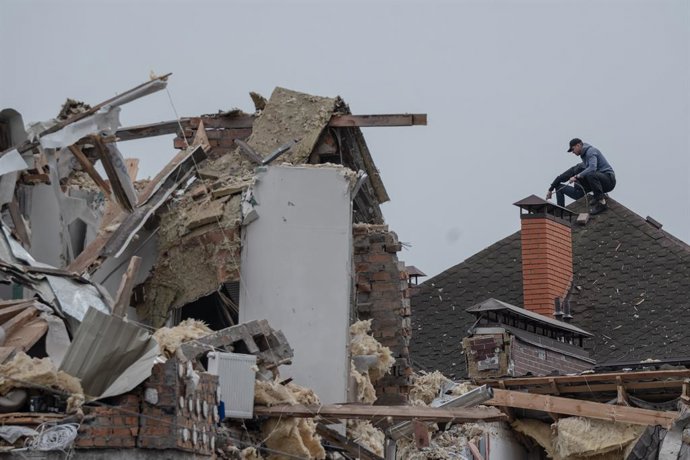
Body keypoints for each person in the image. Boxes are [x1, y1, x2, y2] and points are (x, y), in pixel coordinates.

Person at [546, 138, 616, 214]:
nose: (573, 152)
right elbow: (562, 176)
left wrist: (577, 176)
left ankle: (601, 202)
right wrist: (551, 189)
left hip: (608, 180)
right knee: (560, 187)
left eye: (573, 149)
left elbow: (592, 168)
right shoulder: (581, 161)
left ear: (578, 145)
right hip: (586, 188)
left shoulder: (591, 152)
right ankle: (560, 213)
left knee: (589, 173)